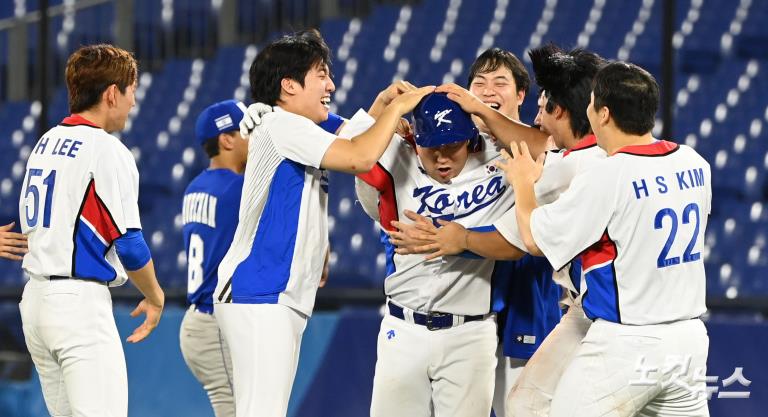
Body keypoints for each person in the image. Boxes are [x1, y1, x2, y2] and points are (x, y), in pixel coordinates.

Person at [211, 29, 433, 417]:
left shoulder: (295, 125)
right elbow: (361, 156)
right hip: (260, 291)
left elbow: (354, 133)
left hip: (273, 292)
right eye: (321, 74)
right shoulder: (283, 126)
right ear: (289, 85)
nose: (331, 84)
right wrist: (398, 110)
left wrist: (382, 104)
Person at [392, 44, 608, 417]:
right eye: (479, 82)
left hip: (525, 300)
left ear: (522, 95)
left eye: (500, 82)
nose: (488, 90)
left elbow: (522, 238)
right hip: (466, 310)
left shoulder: (550, 155)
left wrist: (458, 239)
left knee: (522, 404)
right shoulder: (448, 148)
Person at [500, 61, 710, 416]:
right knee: (526, 403)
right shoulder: (694, 162)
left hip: (627, 342)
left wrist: (524, 183)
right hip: (688, 340)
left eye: (592, 101)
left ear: (604, 114)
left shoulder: (608, 174)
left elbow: (535, 239)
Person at [18, 44, 164, 417]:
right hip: (77, 306)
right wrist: (155, 295)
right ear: (112, 93)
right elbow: (129, 244)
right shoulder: (107, 149)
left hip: (35, 302)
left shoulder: (45, 141)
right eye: (131, 90)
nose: (133, 102)